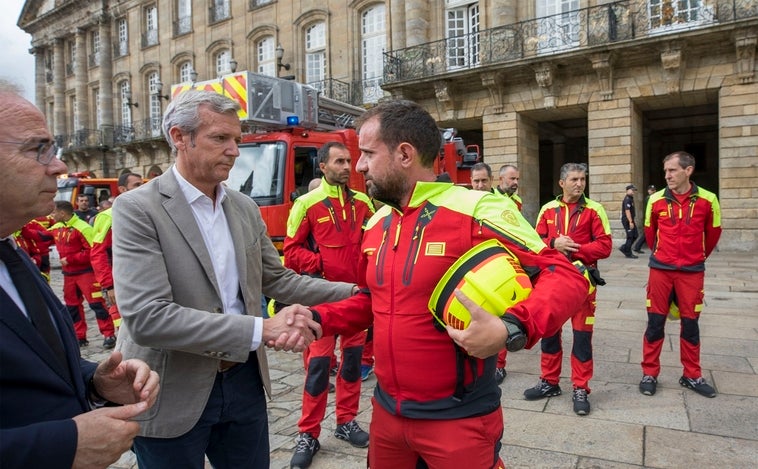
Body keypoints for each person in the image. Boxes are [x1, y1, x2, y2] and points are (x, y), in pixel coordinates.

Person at [305, 100, 590, 468]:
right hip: (387, 416)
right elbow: (372, 301)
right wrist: (316, 319)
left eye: (368, 153)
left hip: (459, 420)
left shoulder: (477, 209)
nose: (359, 166)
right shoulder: (377, 224)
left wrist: (511, 328)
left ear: (404, 154)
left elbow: (565, 275)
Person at [111, 90, 356, 469]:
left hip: (242, 384)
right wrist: (262, 329)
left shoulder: (242, 206)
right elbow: (148, 317)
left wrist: (359, 291)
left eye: (237, 140)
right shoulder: (137, 209)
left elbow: (279, 280)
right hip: (172, 388)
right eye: (220, 138)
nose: (235, 151)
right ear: (180, 137)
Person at [0, 89, 160, 469]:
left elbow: (30, 369)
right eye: (38, 149)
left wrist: (94, 381)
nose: (58, 167)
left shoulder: (10, 249)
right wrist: (60, 444)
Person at [284, 141, 375, 467]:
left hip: (357, 301)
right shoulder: (306, 204)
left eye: (349, 161)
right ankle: (308, 432)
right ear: (322, 166)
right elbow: (291, 253)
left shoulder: (365, 203)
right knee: (318, 370)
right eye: (339, 161)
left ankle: (345, 422)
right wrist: (321, 264)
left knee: (352, 365)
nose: (346, 167)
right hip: (322, 302)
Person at [525, 162, 612, 415]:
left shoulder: (594, 209)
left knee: (582, 337)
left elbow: (605, 246)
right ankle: (549, 381)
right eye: (574, 179)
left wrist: (574, 248)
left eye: (582, 179)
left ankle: (581, 388)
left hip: (583, 284)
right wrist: (554, 242)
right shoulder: (548, 209)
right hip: (551, 283)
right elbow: (534, 241)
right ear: (561, 183)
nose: (579, 183)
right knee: (549, 334)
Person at [639, 151, 721, 398]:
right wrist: (663, 255)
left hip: (692, 272)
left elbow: (713, 233)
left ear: (688, 170)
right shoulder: (655, 201)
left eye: (672, 170)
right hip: (660, 271)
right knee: (654, 324)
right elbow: (649, 233)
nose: (667, 176)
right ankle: (649, 373)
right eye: (665, 171)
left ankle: (692, 375)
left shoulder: (709, 199)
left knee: (691, 325)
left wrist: (694, 257)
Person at [49, 200, 117, 349]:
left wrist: (71, 259)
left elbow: (92, 252)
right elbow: (40, 239)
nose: (51, 216)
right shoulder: (57, 228)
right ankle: (79, 336)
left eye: (54, 212)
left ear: (62, 213)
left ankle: (108, 334)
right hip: (68, 275)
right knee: (72, 307)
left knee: (97, 305)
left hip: (86, 274)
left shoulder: (83, 228)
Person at [469, 161, 508, 384]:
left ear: (491, 181)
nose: (480, 185)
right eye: (476, 181)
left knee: (497, 319)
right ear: (471, 182)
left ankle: (499, 365)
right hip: (472, 272)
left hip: (496, 270)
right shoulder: (462, 204)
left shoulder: (502, 204)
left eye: (484, 180)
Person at [90, 172, 144, 329]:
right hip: (121, 281)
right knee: (124, 328)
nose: (142, 188)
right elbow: (98, 254)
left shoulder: (146, 211)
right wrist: (109, 286)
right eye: (136, 185)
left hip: (144, 278)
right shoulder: (107, 217)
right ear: (122, 189)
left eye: (142, 184)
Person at [632, 185, 656, 254]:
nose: (653, 191)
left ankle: (637, 247)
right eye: (651, 190)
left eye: (653, 190)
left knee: (646, 234)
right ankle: (637, 247)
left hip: (651, 218)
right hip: (649, 218)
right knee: (646, 233)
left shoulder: (652, 197)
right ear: (648, 191)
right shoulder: (649, 198)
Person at [619, 184, 639, 258]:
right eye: (632, 190)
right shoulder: (627, 199)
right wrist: (630, 222)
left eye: (634, 190)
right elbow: (627, 211)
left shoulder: (630, 198)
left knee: (635, 235)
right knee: (630, 236)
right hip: (627, 220)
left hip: (630, 220)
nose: (633, 191)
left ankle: (624, 248)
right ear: (627, 190)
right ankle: (628, 252)